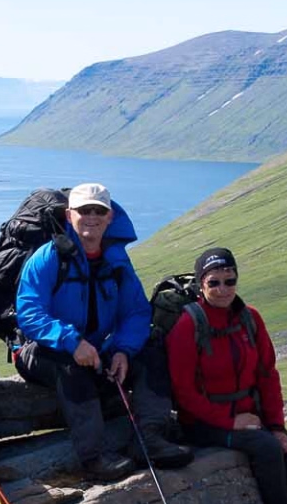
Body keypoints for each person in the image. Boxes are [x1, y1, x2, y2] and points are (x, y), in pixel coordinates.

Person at [14, 182, 190, 481]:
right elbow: (29, 313)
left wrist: (122, 349)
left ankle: (149, 439)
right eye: (84, 210)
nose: (92, 217)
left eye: (99, 211)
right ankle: (93, 457)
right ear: (69, 215)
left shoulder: (116, 261)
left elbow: (136, 311)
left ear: (110, 217)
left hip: (96, 348)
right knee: (70, 366)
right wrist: (72, 342)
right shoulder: (48, 258)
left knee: (151, 349)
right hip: (40, 350)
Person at [166, 246, 287, 504]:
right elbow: (183, 392)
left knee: (285, 445)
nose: (223, 289)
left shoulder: (250, 318)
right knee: (266, 447)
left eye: (229, 280)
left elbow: (267, 375)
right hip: (202, 423)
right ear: (201, 284)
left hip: (247, 414)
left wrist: (276, 426)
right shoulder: (187, 325)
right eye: (214, 283)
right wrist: (230, 421)